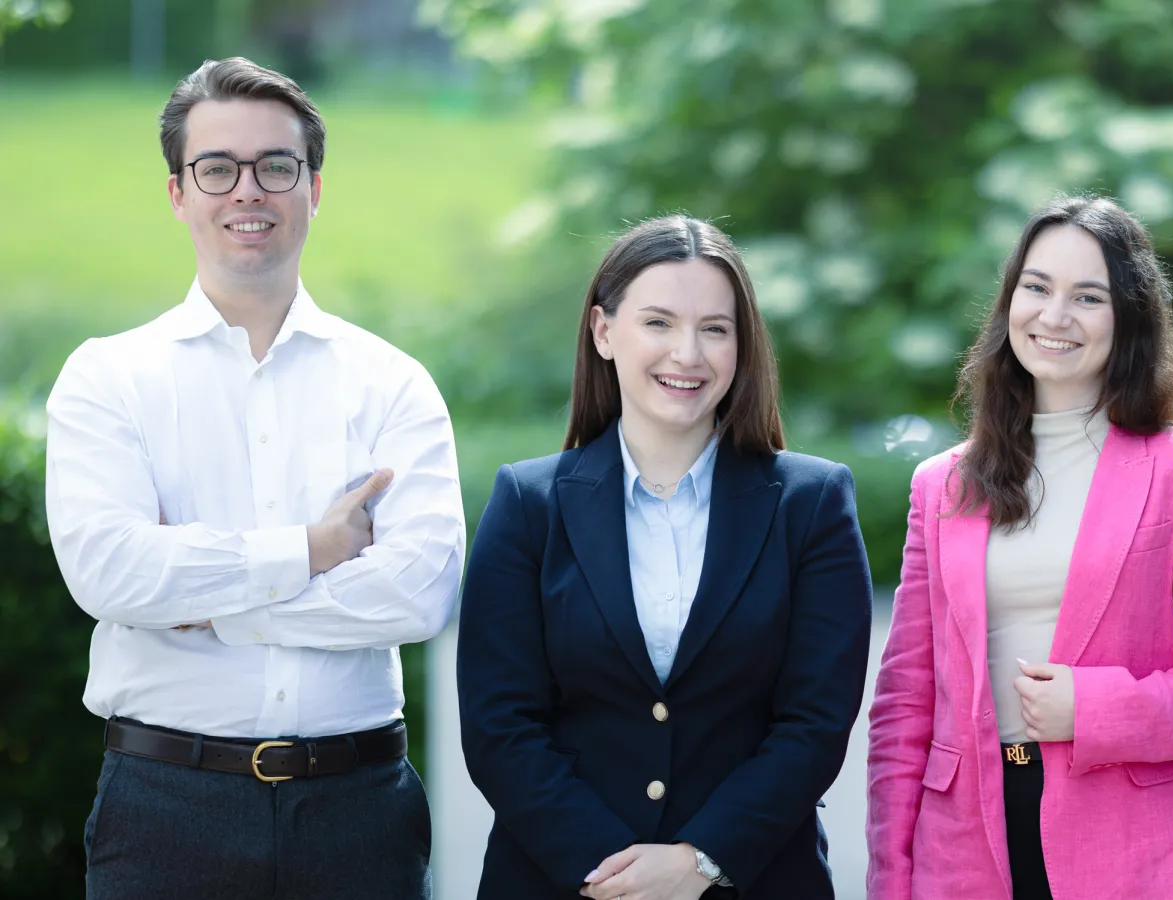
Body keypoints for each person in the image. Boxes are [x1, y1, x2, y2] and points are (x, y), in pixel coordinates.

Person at [44, 57, 465, 898]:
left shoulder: (392, 383)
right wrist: (314, 548)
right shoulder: (108, 377)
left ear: (314, 188)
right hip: (167, 808)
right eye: (217, 168)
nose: (249, 191)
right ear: (178, 193)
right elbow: (109, 572)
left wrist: (211, 608)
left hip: (359, 812)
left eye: (277, 166)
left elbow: (420, 593)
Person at [865, 195, 1173, 900]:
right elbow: (906, 704)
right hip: (963, 849)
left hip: (1133, 848)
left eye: (1087, 297)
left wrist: (1095, 709)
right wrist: (891, 880)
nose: (1054, 316)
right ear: (1009, 302)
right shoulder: (941, 486)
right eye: (1037, 287)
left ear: (1128, 321)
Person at [457, 215, 874, 899]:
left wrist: (701, 861)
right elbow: (499, 725)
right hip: (563, 881)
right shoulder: (528, 503)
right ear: (602, 332)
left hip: (755, 878)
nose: (688, 353)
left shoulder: (811, 503)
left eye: (715, 328)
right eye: (658, 323)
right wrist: (612, 870)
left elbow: (816, 722)